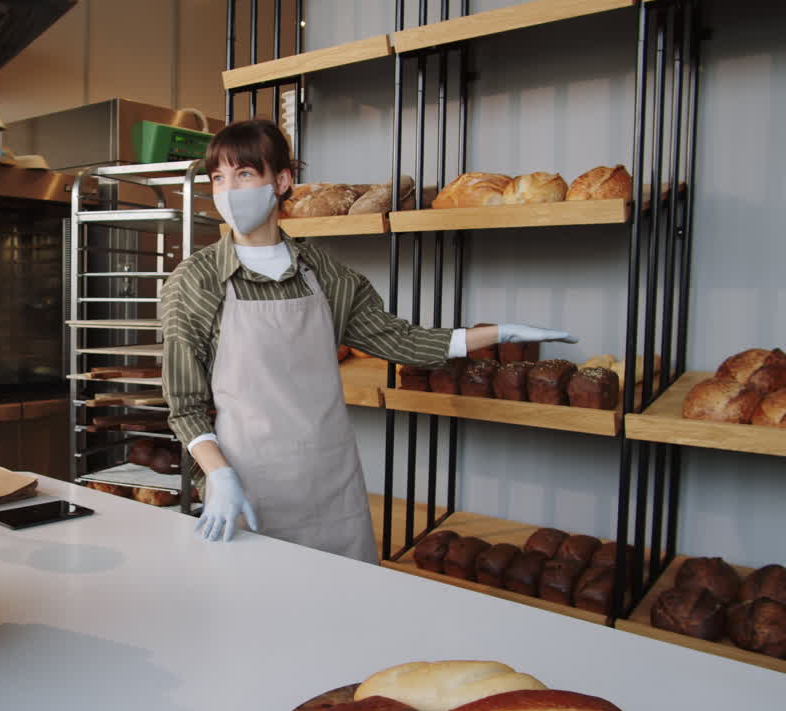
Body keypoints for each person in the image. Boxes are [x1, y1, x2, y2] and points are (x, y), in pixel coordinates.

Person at [160, 119, 576, 563]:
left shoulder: (327, 274)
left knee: (344, 615)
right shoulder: (197, 280)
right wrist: (218, 475)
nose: (229, 190)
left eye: (244, 174)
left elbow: (401, 340)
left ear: (280, 181)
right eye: (218, 178)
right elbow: (184, 405)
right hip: (244, 487)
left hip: (330, 487)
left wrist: (493, 334)